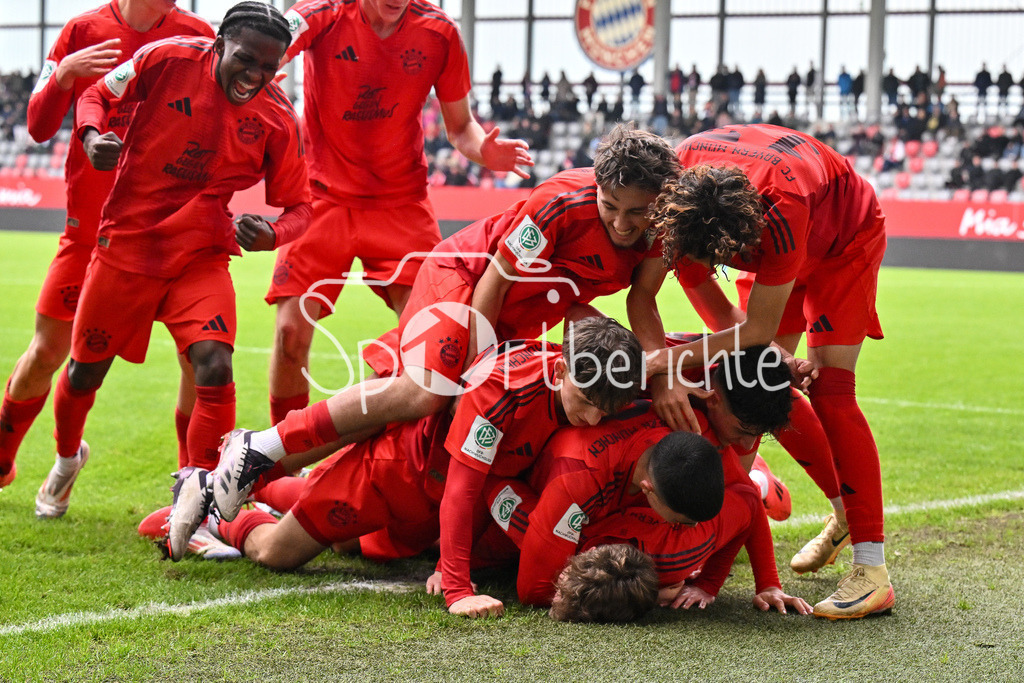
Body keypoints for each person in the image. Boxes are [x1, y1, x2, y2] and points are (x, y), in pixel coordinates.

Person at [196, 125, 691, 520]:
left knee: (391, 409)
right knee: (426, 394)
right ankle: (259, 448)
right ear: (596, 188)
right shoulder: (561, 202)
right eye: (611, 207)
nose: (624, 224)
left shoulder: (664, 229)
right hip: (465, 277)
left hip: (529, 310)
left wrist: (664, 374)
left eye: (638, 213)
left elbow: (642, 299)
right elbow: (494, 282)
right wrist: (480, 374)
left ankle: (250, 478)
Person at [170, 317, 647, 619]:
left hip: (431, 503)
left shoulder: (600, 378)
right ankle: (220, 509)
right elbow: (464, 486)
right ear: (561, 371)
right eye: (585, 404)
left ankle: (249, 484)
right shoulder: (506, 388)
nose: (592, 420)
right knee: (277, 551)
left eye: (604, 411)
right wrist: (457, 588)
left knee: (346, 542)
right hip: (399, 473)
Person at [50, 3, 311, 521]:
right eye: (246, 59)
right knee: (84, 374)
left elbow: (302, 207)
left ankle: (200, 503)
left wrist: (273, 234)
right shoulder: (166, 57)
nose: (256, 76)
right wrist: (91, 137)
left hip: (201, 254)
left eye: (269, 66)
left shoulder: (280, 117)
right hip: (126, 246)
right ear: (219, 45)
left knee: (214, 364)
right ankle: (64, 461)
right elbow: (97, 94)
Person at [638, 123, 893, 620]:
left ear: (743, 239)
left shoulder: (780, 213)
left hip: (843, 236)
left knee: (832, 389)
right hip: (781, 220)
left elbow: (755, 333)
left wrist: (666, 361)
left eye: (729, 260)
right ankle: (839, 514)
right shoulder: (680, 189)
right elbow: (744, 340)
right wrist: (768, 362)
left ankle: (873, 570)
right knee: (753, 380)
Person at [264, 0, 533, 429]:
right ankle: (281, 457)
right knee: (289, 334)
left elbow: (461, 127)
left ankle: (390, 450)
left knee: (434, 338)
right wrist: (258, 71)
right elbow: (270, 42)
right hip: (320, 198)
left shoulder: (439, 33)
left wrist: (486, 150)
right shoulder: (323, 13)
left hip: (401, 203)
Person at [0, 0, 213, 503]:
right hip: (89, 235)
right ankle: (26, 459)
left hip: (169, 237)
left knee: (200, 360)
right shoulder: (81, 30)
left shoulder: (198, 34)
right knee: (46, 354)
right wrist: (64, 75)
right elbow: (37, 125)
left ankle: (192, 493)